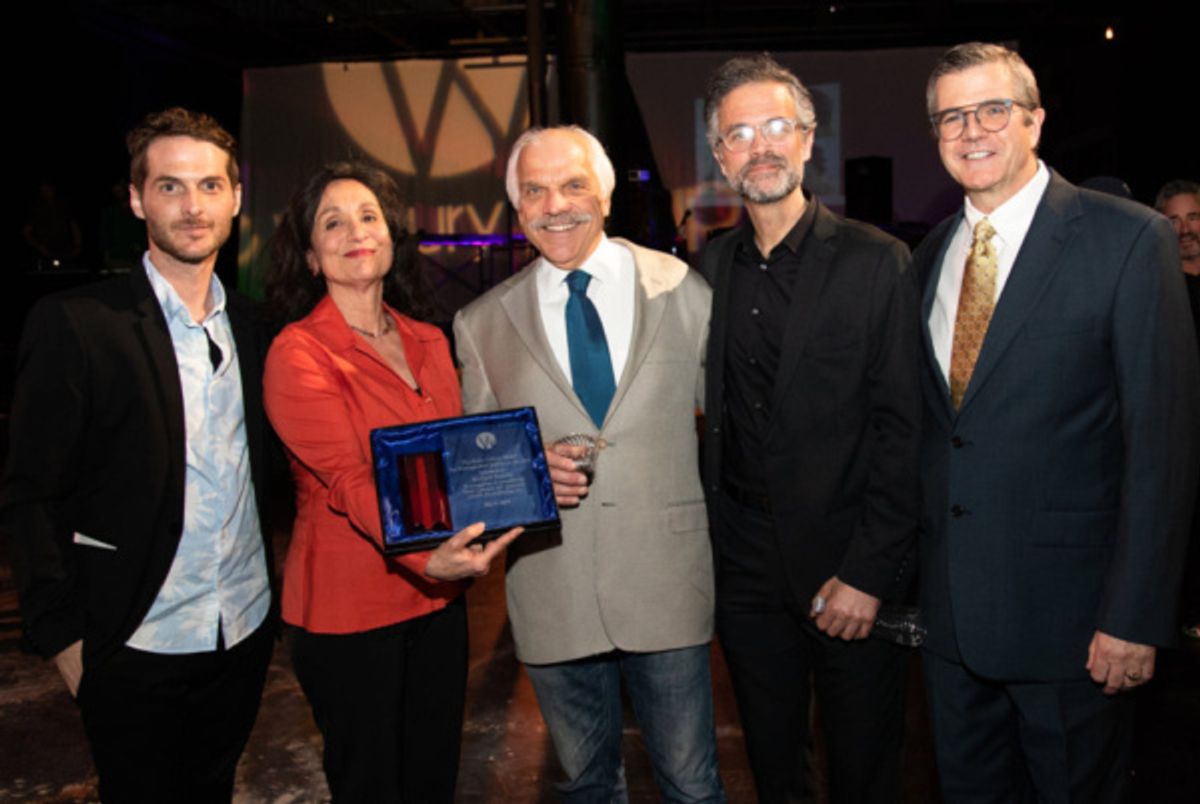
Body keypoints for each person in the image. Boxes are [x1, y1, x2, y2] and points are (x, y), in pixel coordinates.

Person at [915, 43, 1199, 801]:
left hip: (1076, 630)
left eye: (992, 109)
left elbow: (1161, 447)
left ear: (1034, 121)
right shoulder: (930, 254)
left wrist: (1137, 617)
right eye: (950, 115)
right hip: (950, 628)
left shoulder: (1129, 239)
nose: (970, 129)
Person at [0, 107, 276, 802]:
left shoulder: (259, 328)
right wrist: (62, 637)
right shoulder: (77, 323)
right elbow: (30, 490)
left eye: (210, 186)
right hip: (132, 639)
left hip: (239, 630)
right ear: (136, 199)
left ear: (236, 198)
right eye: (170, 187)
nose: (192, 206)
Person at [453, 126, 723, 802]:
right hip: (554, 586)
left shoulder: (682, 289)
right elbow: (475, 472)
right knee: (585, 788)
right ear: (517, 210)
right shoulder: (482, 323)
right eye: (535, 191)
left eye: (574, 184)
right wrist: (526, 470)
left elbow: (735, 427)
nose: (557, 204)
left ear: (603, 194)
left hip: (667, 582)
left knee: (692, 786)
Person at [698, 54, 920, 804]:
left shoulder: (877, 261)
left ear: (807, 137)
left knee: (863, 767)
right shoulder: (711, 267)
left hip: (846, 568)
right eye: (738, 133)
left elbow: (904, 429)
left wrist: (869, 573)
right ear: (720, 153)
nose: (759, 145)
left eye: (776, 127)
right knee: (772, 765)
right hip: (746, 570)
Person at [262, 162, 519, 802]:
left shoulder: (430, 339)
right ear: (312, 257)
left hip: (437, 604)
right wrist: (425, 555)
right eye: (333, 221)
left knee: (431, 778)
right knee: (372, 785)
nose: (356, 231)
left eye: (369, 216)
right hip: (349, 612)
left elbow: (459, 459)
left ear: (392, 235)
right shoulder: (297, 353)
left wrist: (519, 481)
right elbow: (349, 478)